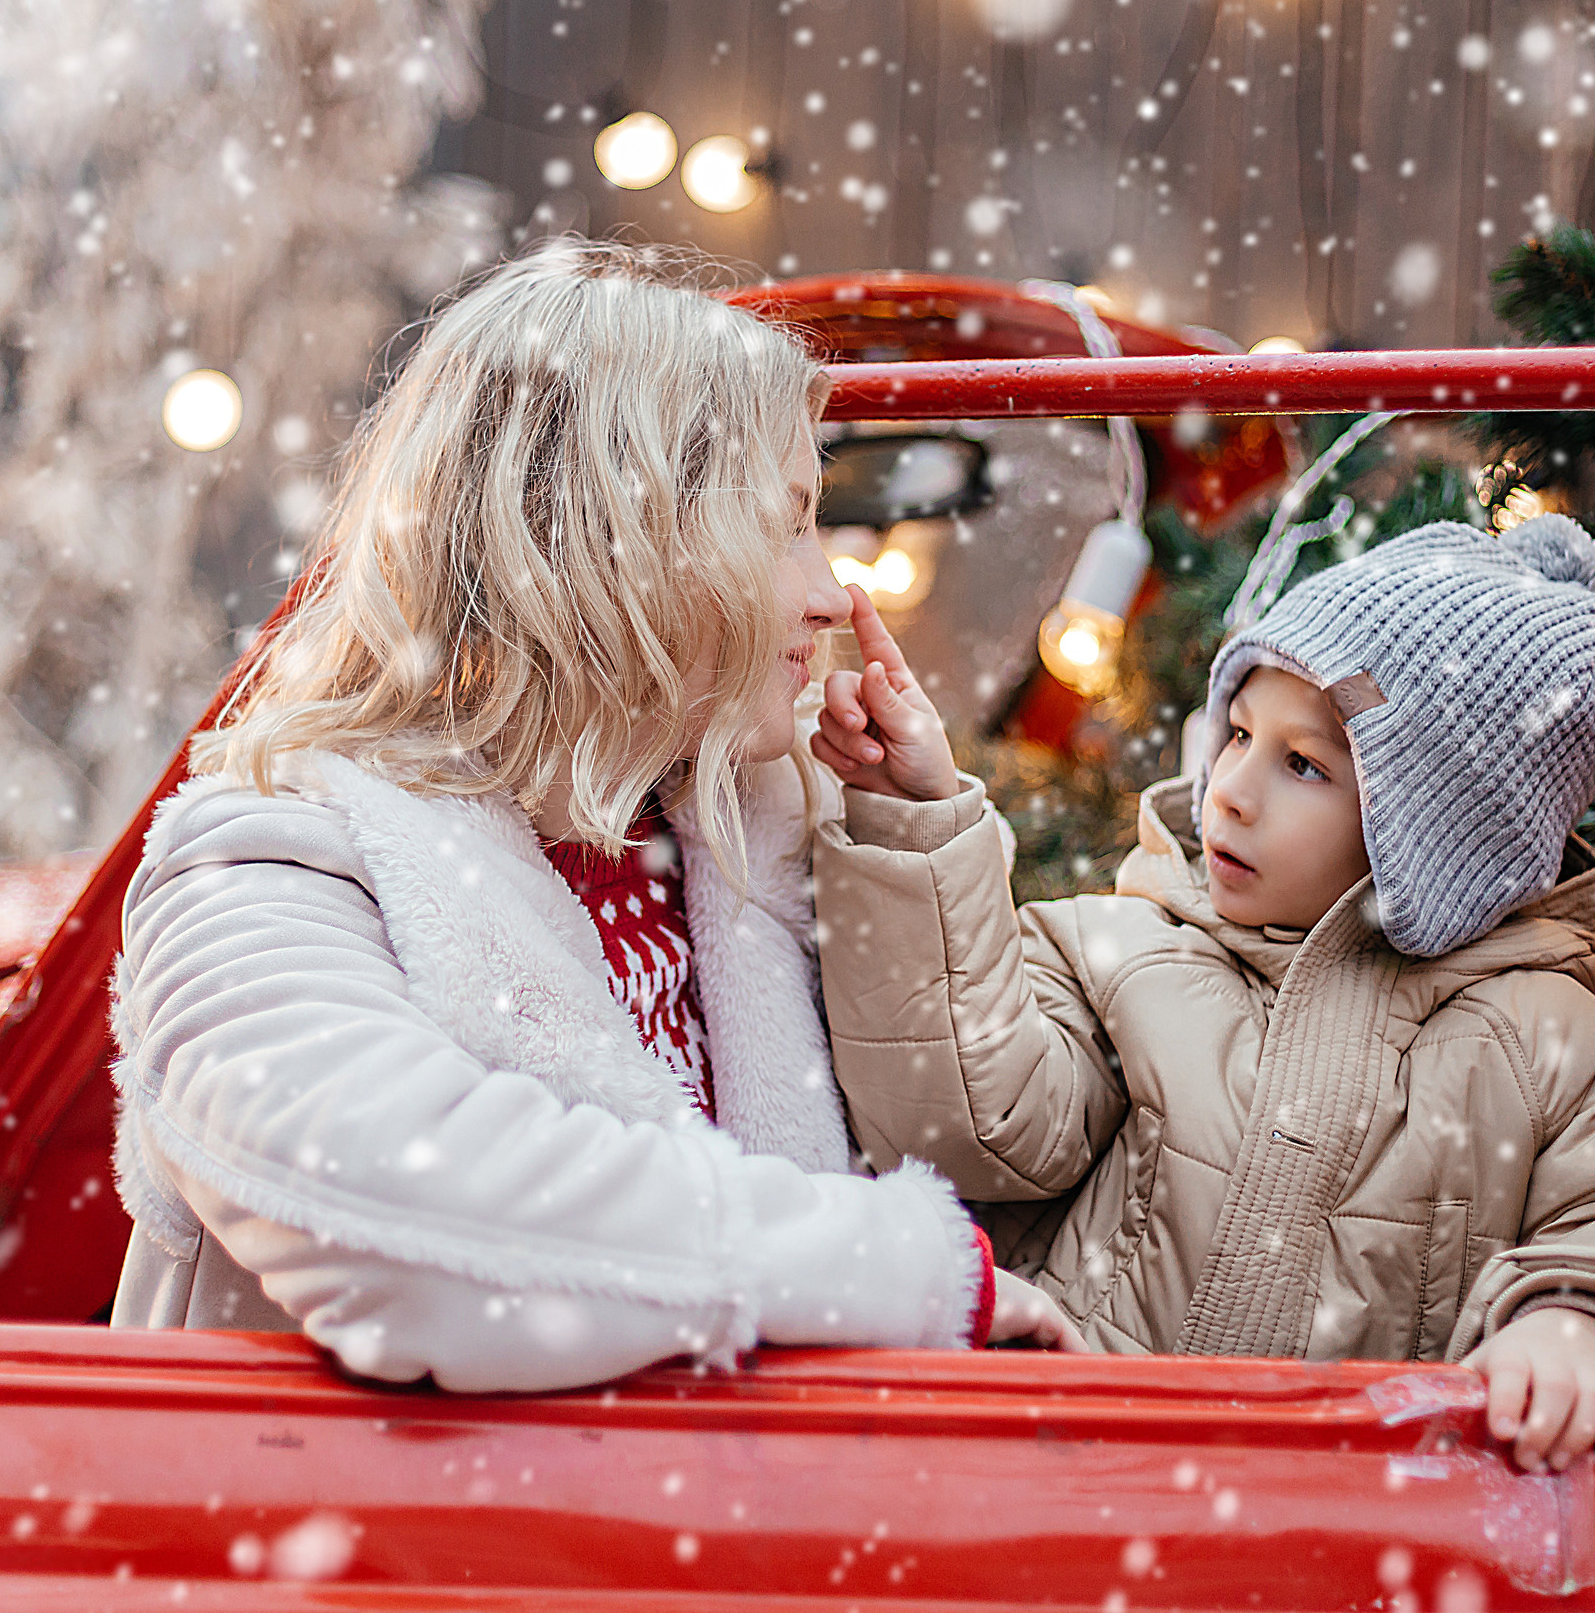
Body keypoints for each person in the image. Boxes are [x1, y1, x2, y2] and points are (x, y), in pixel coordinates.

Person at [109, 240, 1081, 1392]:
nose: (834, 594)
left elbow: (994, 1114)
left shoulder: (754, 833)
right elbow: (408, 1226)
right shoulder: (267, 859)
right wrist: (905, 1274)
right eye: (782, 528)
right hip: (397, 1563)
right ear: (605, 552)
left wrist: (909, 829)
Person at [808, 513, 1595, 1479]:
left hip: (1345, 1535)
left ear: (1438, 838)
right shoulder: (1126, 950)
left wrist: (1570, 1325)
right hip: (1070, 1479)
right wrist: (916, 822)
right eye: (1237, 732)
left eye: (1303, 763)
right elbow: (963, 1119)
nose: (1227, 787)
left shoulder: (1548, 1044)